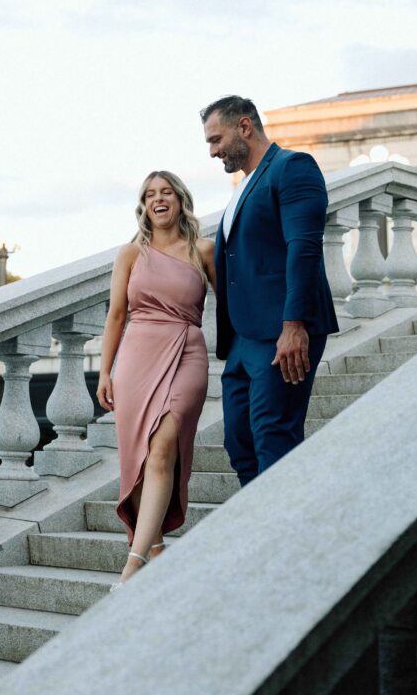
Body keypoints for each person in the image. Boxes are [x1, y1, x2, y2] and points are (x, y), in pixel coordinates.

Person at [200, 95, 339, 487]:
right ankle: (260, 530)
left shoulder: (292, 167)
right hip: (242, 340)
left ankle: (284, 540)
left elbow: (304, 247)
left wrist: (294, 324)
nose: (213, 152)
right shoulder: (242, 188)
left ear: (244, 127)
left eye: (216, 140)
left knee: (274, 438)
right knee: (239, 442)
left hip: (284, 331)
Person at [97, 171, 215, 586]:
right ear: (144, 206)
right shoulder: (131, 254)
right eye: (150, 195)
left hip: (187, 351)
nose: (158, 199)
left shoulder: (204, 251)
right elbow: (116, 315)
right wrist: (105, 372)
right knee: (143, 457)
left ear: (181, 200)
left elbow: (236, 306)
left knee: (164, 446)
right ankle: (158, 546)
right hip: (137, 358)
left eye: (166, 192)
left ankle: (133, 564)